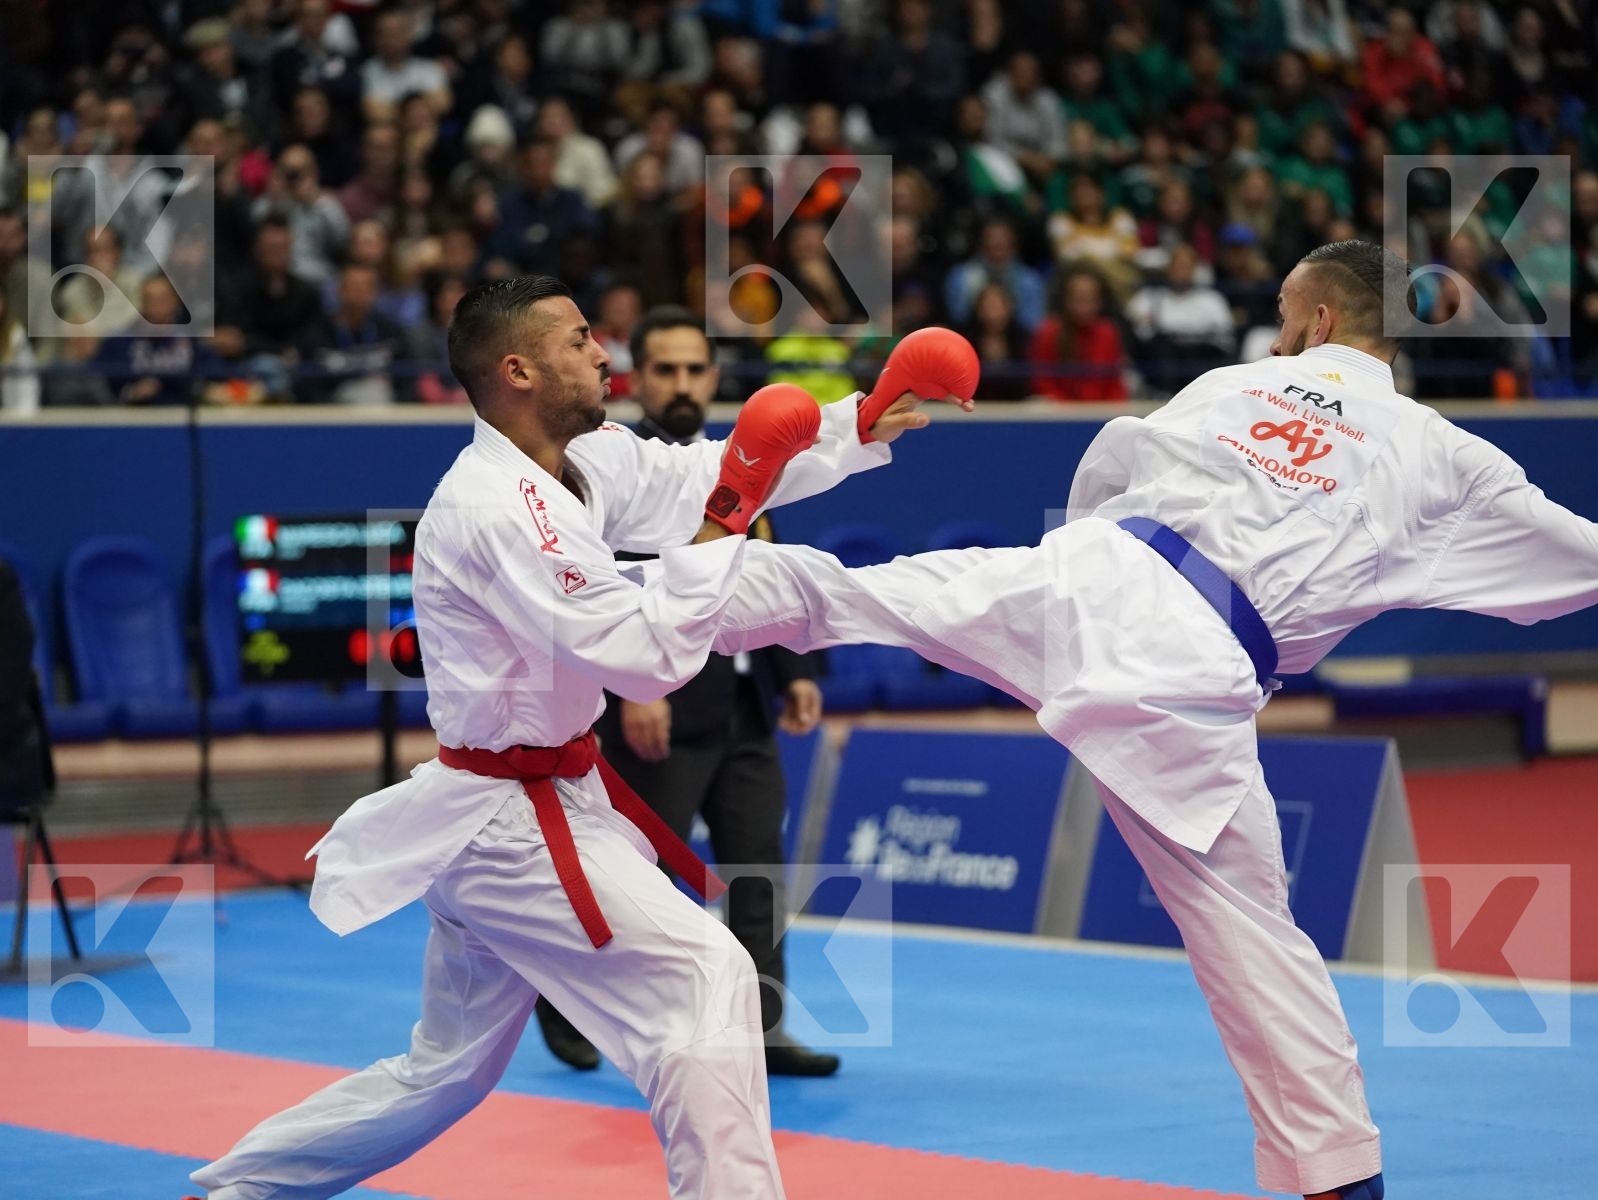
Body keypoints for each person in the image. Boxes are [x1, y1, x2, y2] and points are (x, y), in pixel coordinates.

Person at [706, 241, 1598, 1200]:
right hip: (1190, 669)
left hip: (1080, 577)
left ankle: (659, 581)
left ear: (1322, 324)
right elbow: (1574, 560)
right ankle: (1345, 1182)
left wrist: (1070, 587)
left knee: (855, 593)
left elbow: (1110, 472)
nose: (1281, 333)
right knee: (1257, 946)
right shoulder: (1441, 453)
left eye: (1290, 315)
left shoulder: (1232, 383)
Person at [186, 276, 976, 1200]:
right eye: (579, 340)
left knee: (445, 1071)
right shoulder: (495, 507)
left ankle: (236, 1190)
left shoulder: (584, 459)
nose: (606, 353)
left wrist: (860, 420)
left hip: (538, 797)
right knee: (707, 977)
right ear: (518, 369)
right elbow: (641, 657)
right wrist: (724, 529)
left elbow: (703, 472)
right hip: (507, 826)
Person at [532, 306, 840, 1078]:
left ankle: (759, 1029)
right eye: (664, 369)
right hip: (657, 706)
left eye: (693, 369)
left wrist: (794, 673)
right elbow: (596, 594)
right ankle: (568, 1006)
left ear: (712, 376)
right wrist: (633, 687)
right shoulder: (608, 468)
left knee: (756, 871)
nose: (681, 383)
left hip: (741, 707)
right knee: (632, 881)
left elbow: (761, 569)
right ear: (640, 377)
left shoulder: (737, 457)